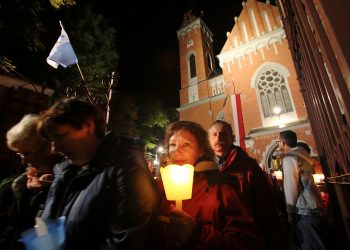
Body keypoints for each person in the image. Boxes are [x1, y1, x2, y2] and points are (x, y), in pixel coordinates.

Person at [37, 97, 160, 250]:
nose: (54, 149)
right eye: (51, 141)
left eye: (61, 136)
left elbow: (127, 240)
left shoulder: (125, 167)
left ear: (88, 127)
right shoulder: (68, 168)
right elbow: (46, 223)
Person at [157, 120, 264, 250]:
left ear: (201, 151)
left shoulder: (221, 190)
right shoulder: (160, 187)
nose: (177, 151)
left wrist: (198, 233)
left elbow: (247, 244)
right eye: (172, 144)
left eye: (186, 144)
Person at [208, 120, 288, 250]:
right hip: (215, 238)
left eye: (223, 134)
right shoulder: (204, 169)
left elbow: (265, 205)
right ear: (209, 139)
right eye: (214, 134)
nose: (218, 138)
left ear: (232, 138)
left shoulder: (249, 167)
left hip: (246, 237)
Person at [3, 114, 60, 249]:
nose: (24, 161)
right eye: (20, 154)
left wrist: (45, 193)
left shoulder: (63, 181)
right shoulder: (22, 182)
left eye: (27, 153)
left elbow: (45, 237)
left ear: (47, 147)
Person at [279, 130, 327, 250]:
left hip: (303, 209)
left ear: (283, 143)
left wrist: (289, 212)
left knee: (309, 244)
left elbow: (291, 187)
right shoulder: (303, 154)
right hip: (316, 204)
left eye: (279, 142)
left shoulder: (289, 158)